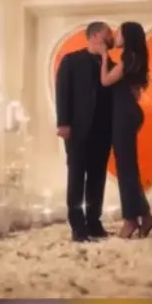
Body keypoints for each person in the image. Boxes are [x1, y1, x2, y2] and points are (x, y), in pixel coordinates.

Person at [55, 21, 115, 242]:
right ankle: (77, 225)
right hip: (77, 128)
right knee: (77, 176)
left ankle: (94, 222)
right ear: (96, 35)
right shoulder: (71, 61)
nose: (111, 38)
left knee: (97, 178)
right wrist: (63, 123)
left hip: (103, 130)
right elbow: (62, 91)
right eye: (108, 34)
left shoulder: (111, 64)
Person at [98, 21, 152, 238]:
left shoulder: (128, 58)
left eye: (119, 33)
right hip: (128, 112)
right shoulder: (135, 58)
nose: (115, 36)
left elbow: (106, 81)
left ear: (128, 37)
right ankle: (145, 217)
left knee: (126, 169)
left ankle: (131, 220)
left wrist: (103, 56)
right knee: (127, 169)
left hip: (124, 114)